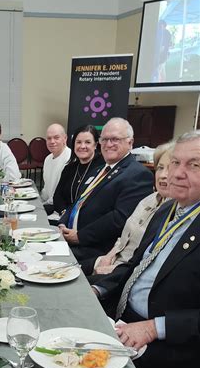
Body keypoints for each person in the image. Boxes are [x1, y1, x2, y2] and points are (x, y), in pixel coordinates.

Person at [93, 131, 200, 368]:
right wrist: (96, 290)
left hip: (168, 347)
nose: (176, 173)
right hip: (123, 321)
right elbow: (134, 267)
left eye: (194, 165)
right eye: (175, 162)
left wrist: (154, 328)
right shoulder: (167, 210)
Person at [58, 117, 153, 274]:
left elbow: (119, 219)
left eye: (115, 139)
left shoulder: (138, 174)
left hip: (95, 249)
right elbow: (79, 202)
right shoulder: (100, 169)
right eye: (105, 139)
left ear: (130, 142)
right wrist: (63, 223)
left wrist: (79, 236)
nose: (108, 144)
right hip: (73, 238)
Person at [91, 142, 172, 277]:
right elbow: (123, 238)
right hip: (112, 259)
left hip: (127, 273)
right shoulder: (148, 199)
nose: (163, 175)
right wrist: (107, 257)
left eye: (169, 169)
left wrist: (113, 270)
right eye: (160, 168)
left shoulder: (176, 211)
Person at [52, 125, 104, 216]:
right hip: (65, 218)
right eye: (78, 142)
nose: (82, 146)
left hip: (88, 221)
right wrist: (65, 213)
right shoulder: (69, 168)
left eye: (87, 142)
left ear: (95, 145)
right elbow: (57, 197)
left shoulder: (103, 168)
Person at [40, 123, 72, 214]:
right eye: (49, 138)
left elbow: (62, 195)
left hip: (61, 210)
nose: (52, 141)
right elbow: (46, 190)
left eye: (56, 137)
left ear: (65, 138)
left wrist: (42, 206)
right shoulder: (48, 159)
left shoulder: (70, 159)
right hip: (49, 204)